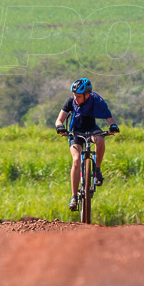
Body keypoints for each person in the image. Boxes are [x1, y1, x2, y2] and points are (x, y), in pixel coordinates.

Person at [54, 78, 119, 211]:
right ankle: (73, 197)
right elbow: (59, 120)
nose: (75, 99)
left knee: (100, 139)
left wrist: (112, 126)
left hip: (91, 130)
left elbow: (109, 118)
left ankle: (97, 170)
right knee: (76, 159)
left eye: (78, 96)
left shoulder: (96, 100)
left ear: (87, 95)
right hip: (75, 132)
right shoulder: (70, 102)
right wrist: (60, 127)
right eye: (74, 95)